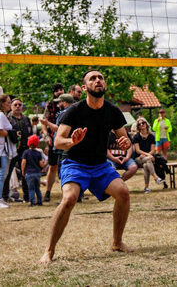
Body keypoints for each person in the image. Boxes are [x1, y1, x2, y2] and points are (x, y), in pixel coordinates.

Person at [40, 69, 132, 264]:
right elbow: (58, 142)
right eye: (93, 78)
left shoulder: (113, 110)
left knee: (123, 193)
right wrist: (72, 141)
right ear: (84, 87)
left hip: (100, 165)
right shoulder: (74, 111)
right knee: (69, 198)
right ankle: (49, 251)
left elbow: (124, 138)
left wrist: (126, 143)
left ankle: (117, 242)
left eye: (101, 78)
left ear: (104, 84)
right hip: (75, 163)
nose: (98, 80)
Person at [5, 97, 31, 202]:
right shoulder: (7, 119)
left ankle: (27, 196)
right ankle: (4, 196)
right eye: (15, 105)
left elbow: (30, 133)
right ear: (11, 106)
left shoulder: (26, 119)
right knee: (8, 172)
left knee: (26, 172)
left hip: (25, 149)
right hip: (12, 149)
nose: (17, 107)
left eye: (19, 105)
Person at [42, 83, 65, 202]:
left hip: (66, 141)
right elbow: (44, 123)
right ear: (54, 93)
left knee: (65, 167)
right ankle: (47, 192)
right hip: (53, 140)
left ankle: (67, 194)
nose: (60, 91)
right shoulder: (50, 105)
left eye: (61, 89)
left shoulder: (69, 103)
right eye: (57, 90)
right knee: (52, 167)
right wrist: (46, 137)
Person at [131, 118, 163, 193]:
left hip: (146, 158)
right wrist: (148, 155)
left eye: (143, 123)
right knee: (148, 159)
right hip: (138, 158)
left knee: (146, 165)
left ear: (146, 124)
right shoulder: (136, 137)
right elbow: (137, 150)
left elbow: (153, 150)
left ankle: (146, 188)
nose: (141, 125)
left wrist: (147, 155)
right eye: (139, 124)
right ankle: (156, 177)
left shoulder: (151, 136)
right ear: (138, 126)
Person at [21, 135, 47, 206]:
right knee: (37, 188)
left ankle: (32, 202)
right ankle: (39, 201)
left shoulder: (26, 152)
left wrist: (23, 171)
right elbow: (41, 164)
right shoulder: (38, 153)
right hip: (37, 173)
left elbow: (23, 162)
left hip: (29, 173)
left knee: (31, 188)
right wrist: (46, 163)